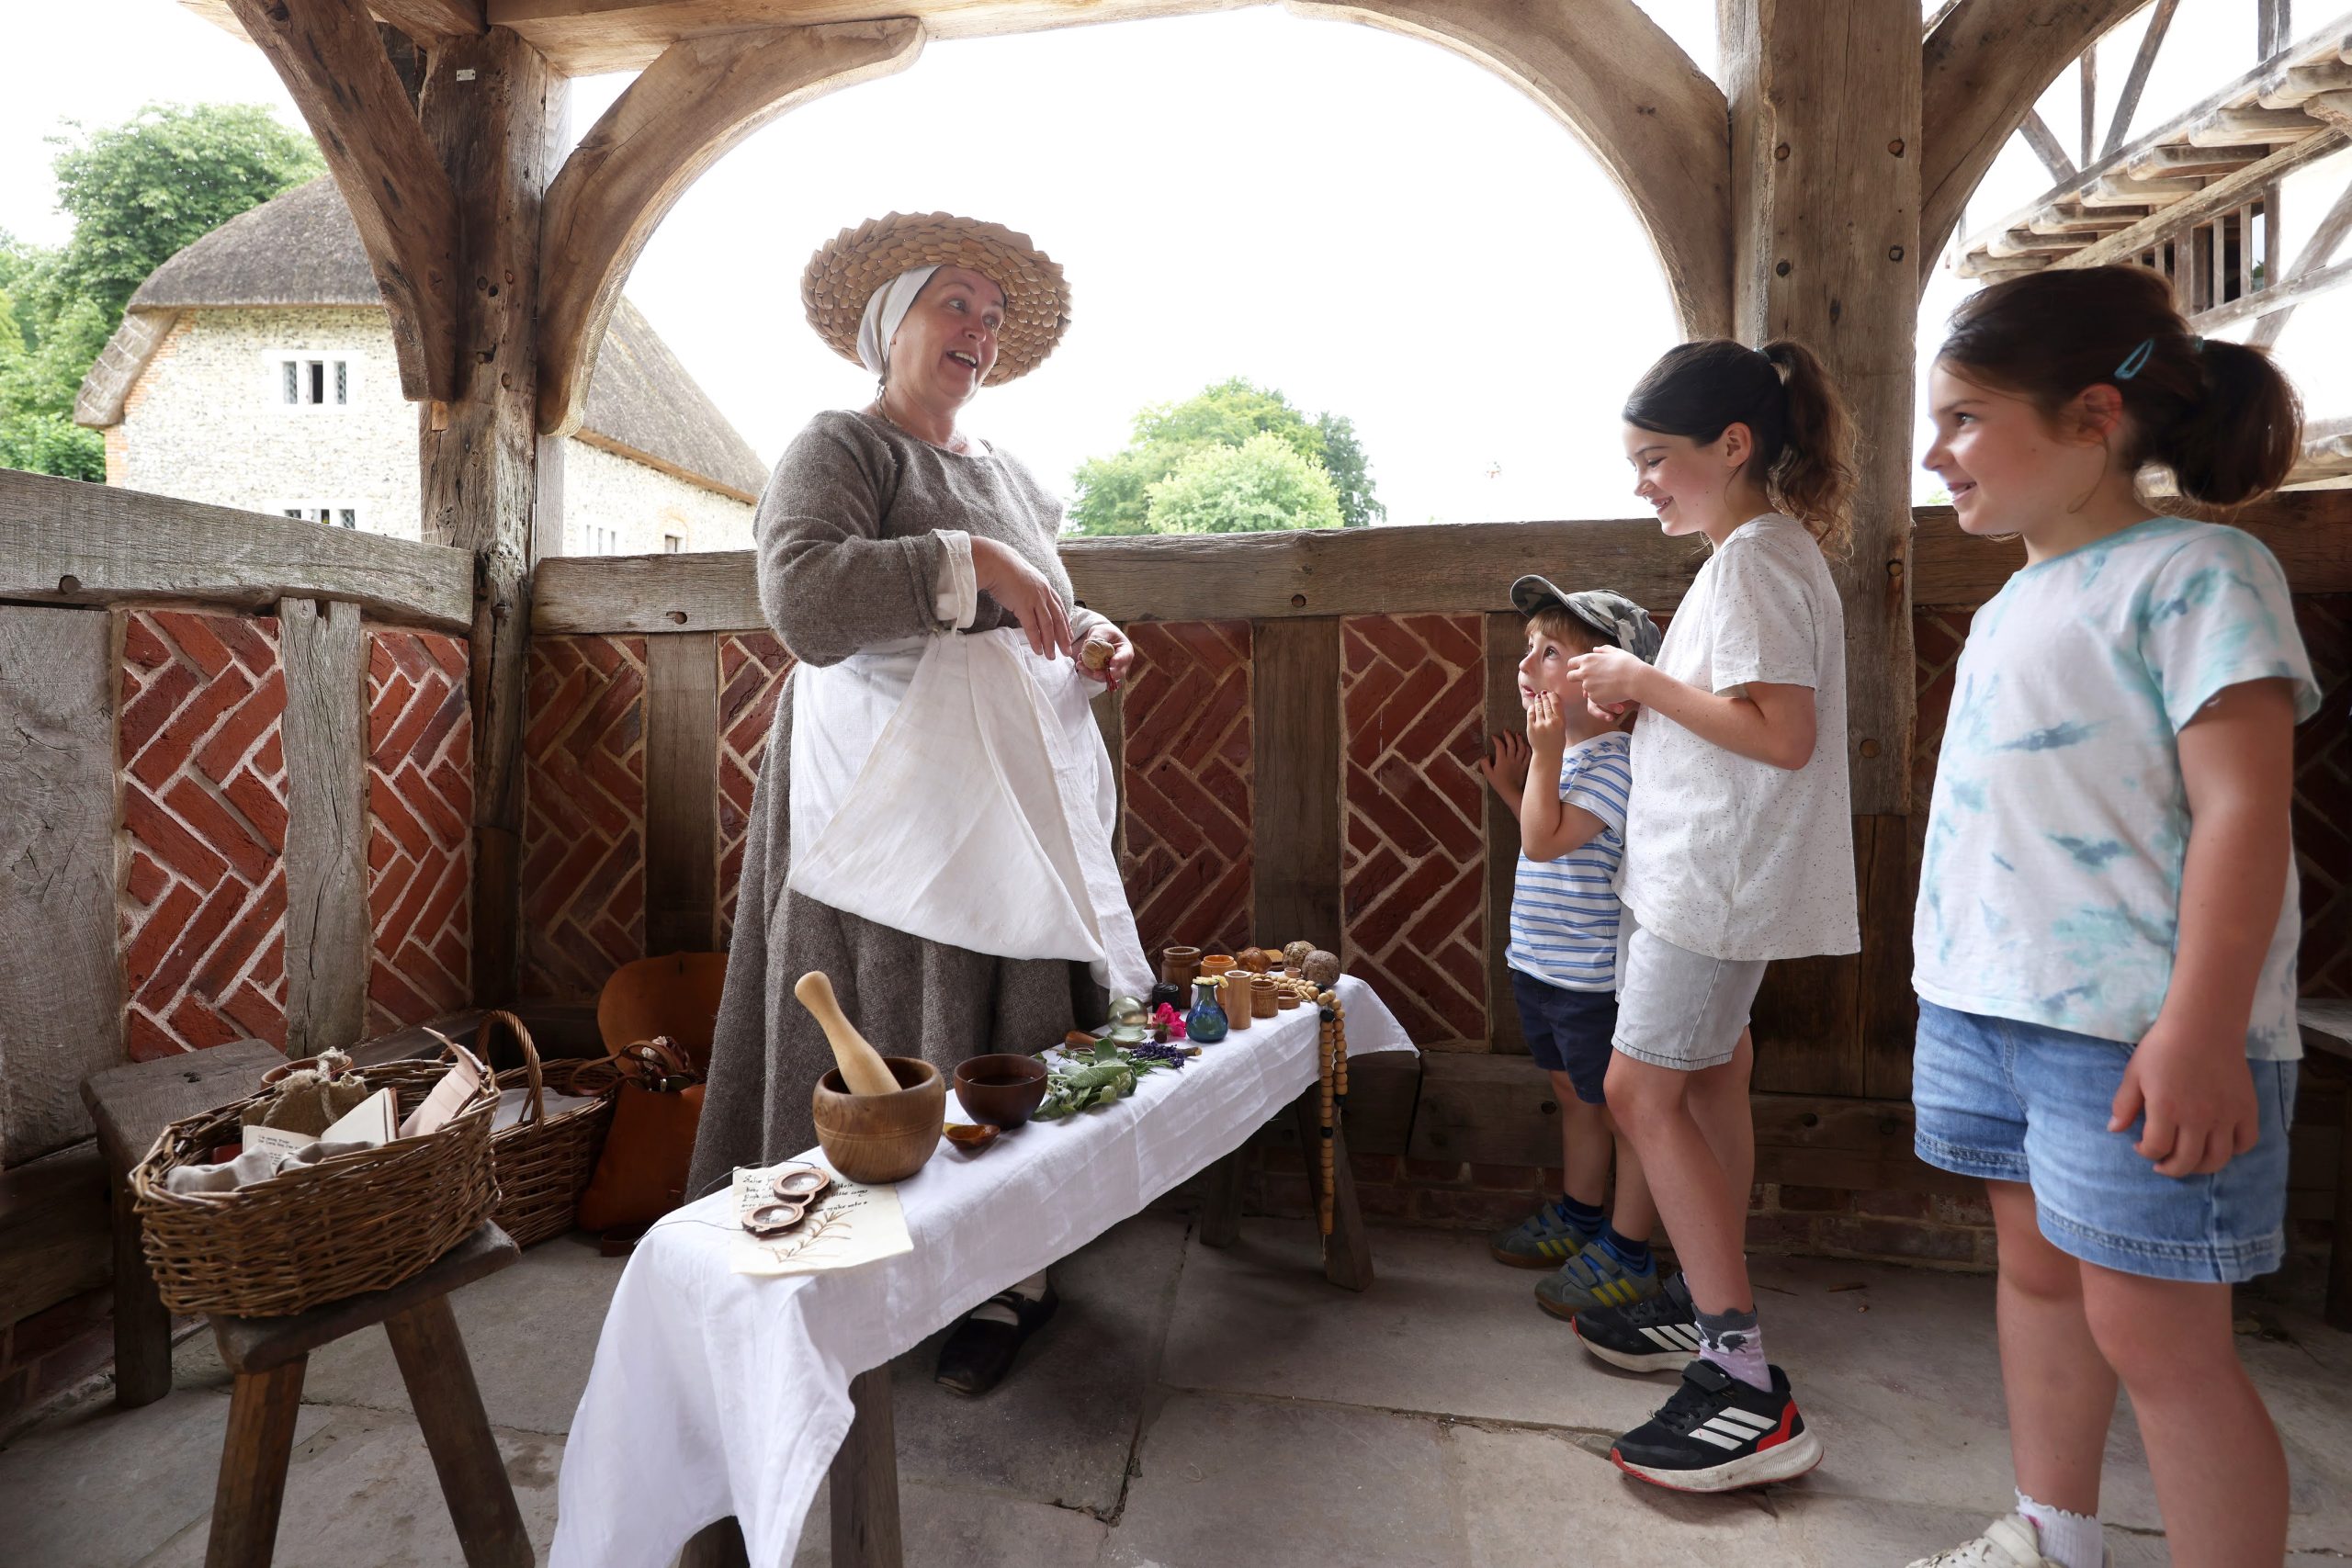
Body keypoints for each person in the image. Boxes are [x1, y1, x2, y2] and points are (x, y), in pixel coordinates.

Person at [687, 214, 1154, 1397]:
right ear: (890, 322)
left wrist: (1085, 631)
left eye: (992, 319)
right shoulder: (840, 447)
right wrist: (969, 564)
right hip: (876, 790)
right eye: (958, 305)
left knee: (1000, 1015)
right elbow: (801, 602)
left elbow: (1047, 604)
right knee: (880, 1007)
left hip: (998, 785)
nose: (980, 333)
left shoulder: (1010, 476)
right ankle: (838, 1263)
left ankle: (1001, 1275)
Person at [1905, 266, 2315, 1568]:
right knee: (2036, 1285)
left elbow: (2247, 809)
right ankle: (2052, 1538)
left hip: (2139, 1033)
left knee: (2163, 1342)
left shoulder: (2203, 569)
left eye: (1966, 416)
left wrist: (2200, 1028)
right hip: (1992, 1011)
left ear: (2092, 419)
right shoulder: (2012, 599)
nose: (1938, 450)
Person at [1563, 339, 1860, 1492]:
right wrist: (1633, 696)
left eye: (1655, 460)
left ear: (1732, 446)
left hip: (1714, 881)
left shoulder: (1753, 561)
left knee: (1640, 1092)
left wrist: (1635, 684)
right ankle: (1704, 1307)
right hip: (1708, 872)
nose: (1643, 482)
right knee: (1712, 1078)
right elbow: (1736, 717)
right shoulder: (1755, 553)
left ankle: (1742, 1382)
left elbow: (1780, 735)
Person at [1476, 580, 1663, 1321]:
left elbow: (1545, 838)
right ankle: (1581, 1216)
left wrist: (1542, 760)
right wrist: (1515, 782)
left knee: (1617, 1112)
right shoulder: (1575, 757)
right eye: (1529, 648)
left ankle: (1627, 1246)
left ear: (1612, 693)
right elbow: (1544, 830)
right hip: (1541, 966)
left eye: (1552, 652)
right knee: (1572, 1096)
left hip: (1587, 979)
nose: (1528, 663)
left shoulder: (1612, 759)